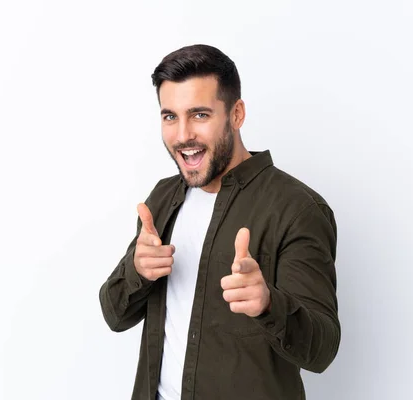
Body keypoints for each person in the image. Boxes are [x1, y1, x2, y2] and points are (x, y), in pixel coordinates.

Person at [99, 44, 340, 400]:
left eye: (199, 115)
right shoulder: (162, 199)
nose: (182, 135)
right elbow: (114, 315)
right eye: (170, 117)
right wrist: (138, 270)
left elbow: (322, 351)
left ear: (236, 114)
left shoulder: (297, 209)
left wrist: (269, 304)